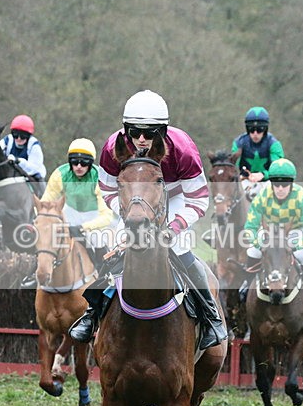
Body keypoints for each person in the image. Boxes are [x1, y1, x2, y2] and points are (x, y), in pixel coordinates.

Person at [68, 89, 227, 350]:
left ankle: (211, 318)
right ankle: (91, 314)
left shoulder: (183, 149)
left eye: (150, 133)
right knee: (115, 248)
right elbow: (108, 189)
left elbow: (198, 198)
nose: (141, 139)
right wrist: (129, 214)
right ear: (125, 129)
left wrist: (172, 228)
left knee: (179, 248)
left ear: (163, 131)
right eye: (134, 131)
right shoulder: (112, 147)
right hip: (132, 203)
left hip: (176, 200)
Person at [19, 138, 114, 288]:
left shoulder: (98, 178)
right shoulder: (60, 174)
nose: (79, 166)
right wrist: (41, 222)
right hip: (67, 217)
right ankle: (35, 272)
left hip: (94, 220)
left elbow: (107, 216)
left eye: (84, 163)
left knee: (98, 240)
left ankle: (104, 278)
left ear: (91, 163)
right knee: (45, 237)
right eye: (75, 162)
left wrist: (83, 227)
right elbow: (45, 203)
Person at [242, 158, 303, 308]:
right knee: (253, 250)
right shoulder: (263, 196)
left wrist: (297, 245)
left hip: (295, 230)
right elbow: (249, 228)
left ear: (292, 183)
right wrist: (259, 243)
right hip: (271, 232)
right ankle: (246, 284)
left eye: (285, 184)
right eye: (276, 184)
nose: (280, 188)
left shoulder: (300, 197)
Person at [231, 106, 285, 198]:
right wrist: (244, 176)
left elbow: (278, 169)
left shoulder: (274, 144)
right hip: (245, 181)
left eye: (259, 129)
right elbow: (234, 167)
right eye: (252, 129)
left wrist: (263, 175)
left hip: (267, 181)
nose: (255, 133)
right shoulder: (238, 143)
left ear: (265, 129)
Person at [0, 114, 47, 197]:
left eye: (23, 136)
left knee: (39, 180)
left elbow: (34, 168)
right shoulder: (7, 140)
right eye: (15, 135)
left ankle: (45, 202)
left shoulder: (34, 145)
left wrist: (18, 161)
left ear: (28, 136)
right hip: (9, 171)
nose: (19, 139)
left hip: (31, 173)